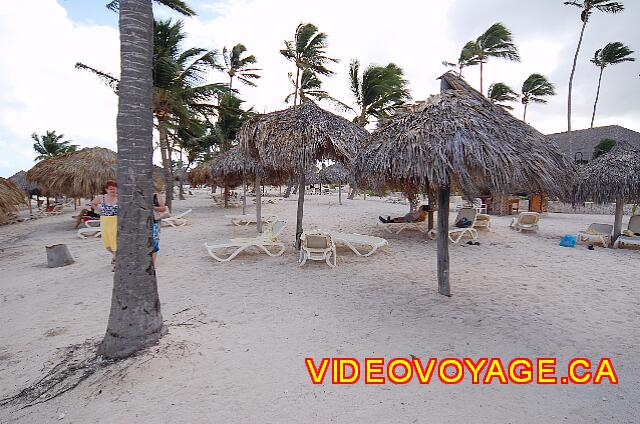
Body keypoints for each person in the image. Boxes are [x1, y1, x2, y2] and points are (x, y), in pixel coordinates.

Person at [91, 180, 118, 270]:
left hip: (116, 221)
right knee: (107, 244)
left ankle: (116, 262)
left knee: (115, 241)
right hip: (105, 221)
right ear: (106, 189)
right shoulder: (101, 198)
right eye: (111, 189)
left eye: (115, 189)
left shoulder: (120, 198)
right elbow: (93, 203)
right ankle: (114, 255)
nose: (113, 191)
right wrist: (99, 210)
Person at [152, 192, 168, 268]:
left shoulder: (155, 195)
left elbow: (163, 208)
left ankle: (153, 263)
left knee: (155, 242)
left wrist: (152, 208)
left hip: (154, 222)